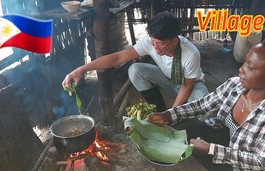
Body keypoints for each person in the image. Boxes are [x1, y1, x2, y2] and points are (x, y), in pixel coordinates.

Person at [148, 37, 265, 171]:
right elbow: (202, 105)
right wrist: (169, 115)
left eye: (251, 67)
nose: (241, 69)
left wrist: (211, 149)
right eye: (245, 62)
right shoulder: (235, 85)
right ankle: (217, 170)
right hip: (230, 144)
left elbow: (261, 161)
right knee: (182, 126)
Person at [62, 11, 209, 112]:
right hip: (169, 80)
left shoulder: (191, 53)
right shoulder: (150, 43)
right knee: (135, 69)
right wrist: (81, 69)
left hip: (189, 84)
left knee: (203, 104)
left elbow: (187, 87)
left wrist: (172, 113)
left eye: (160, 44)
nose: (155, 48)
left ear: (174, 40)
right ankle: (159, 110)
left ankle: (175, 118)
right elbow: (117, 58)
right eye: (153, 42)